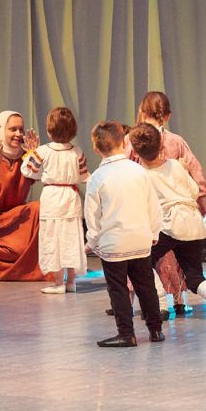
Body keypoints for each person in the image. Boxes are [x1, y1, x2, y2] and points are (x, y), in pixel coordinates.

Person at [129, 123, 206, 325]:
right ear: (161, 145)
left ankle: (159, 305)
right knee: (195, 278)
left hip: (169, 225)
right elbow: (193, 191)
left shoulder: (142, 176)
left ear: (135, 151)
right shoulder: (176, 165)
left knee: (141, 262)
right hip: (192, 224)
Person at [126, 91, 206, 314]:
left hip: (147, 204)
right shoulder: (176, 141)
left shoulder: (133, 139)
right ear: (168, 115)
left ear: (141, 112)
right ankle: (178, 299)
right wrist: (200, 199)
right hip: (176, 207)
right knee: (175, 256)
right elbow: (194, 169)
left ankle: (151, 302)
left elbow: (123, 166)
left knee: (143, 255)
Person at [84, 120, 164, 347]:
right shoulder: (139, 171)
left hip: (113, 243)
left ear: (96, 148)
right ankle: (155, 330)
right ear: (124, 142)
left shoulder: (97, 177)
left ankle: (126, 333)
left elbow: (92, 216)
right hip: (140, 239)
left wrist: (92, 241)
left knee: (118, 289)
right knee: (146, 286)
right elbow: (153, 206)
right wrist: (154, 232)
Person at [0, 111, 53, 282]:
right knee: (19, 250)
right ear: (0, 130)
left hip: (17, 221)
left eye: (21, 129)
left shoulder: (25, 158)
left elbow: (42, 178)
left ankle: (1, 259)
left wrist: (34, 157)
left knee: (41, 207)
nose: (18, 134)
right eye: (13, 129)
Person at [21, 107, 89, 294]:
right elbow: (84, 176)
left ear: (49, 131)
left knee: (53, 239)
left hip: (52, 197)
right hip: (71, 197)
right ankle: (71, 282)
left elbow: (28, 171)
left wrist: (30, 153)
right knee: (71, 238)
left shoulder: (43, 151)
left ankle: (58, 283)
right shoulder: (77, 151)